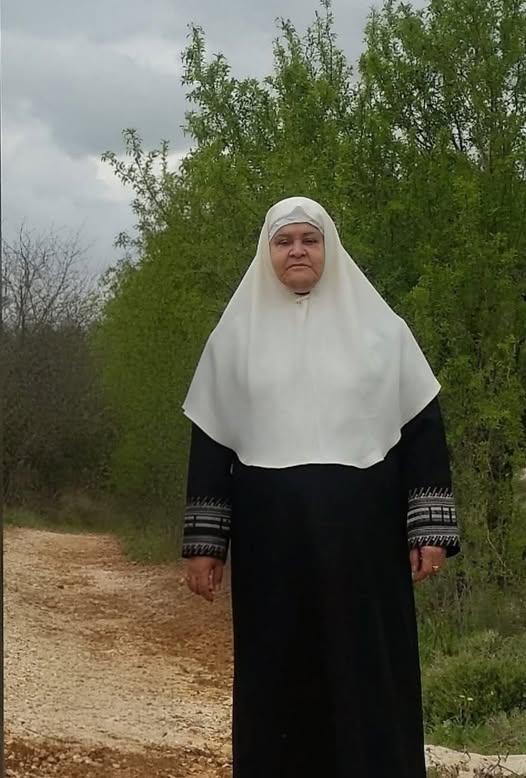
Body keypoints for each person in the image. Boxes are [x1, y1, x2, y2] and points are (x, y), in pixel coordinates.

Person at [182, 196, 460, 778]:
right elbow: (210, 442)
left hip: (365, 542)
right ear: (267, 252)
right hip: (271, 544)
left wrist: (429, 529)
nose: (298, 251)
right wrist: (206, 546)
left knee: (369, 668)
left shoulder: (383, 332)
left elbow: (421, 428)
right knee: (277, 672)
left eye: (309, 239)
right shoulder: (233, 339)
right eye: (284, 241)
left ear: (329, 248)